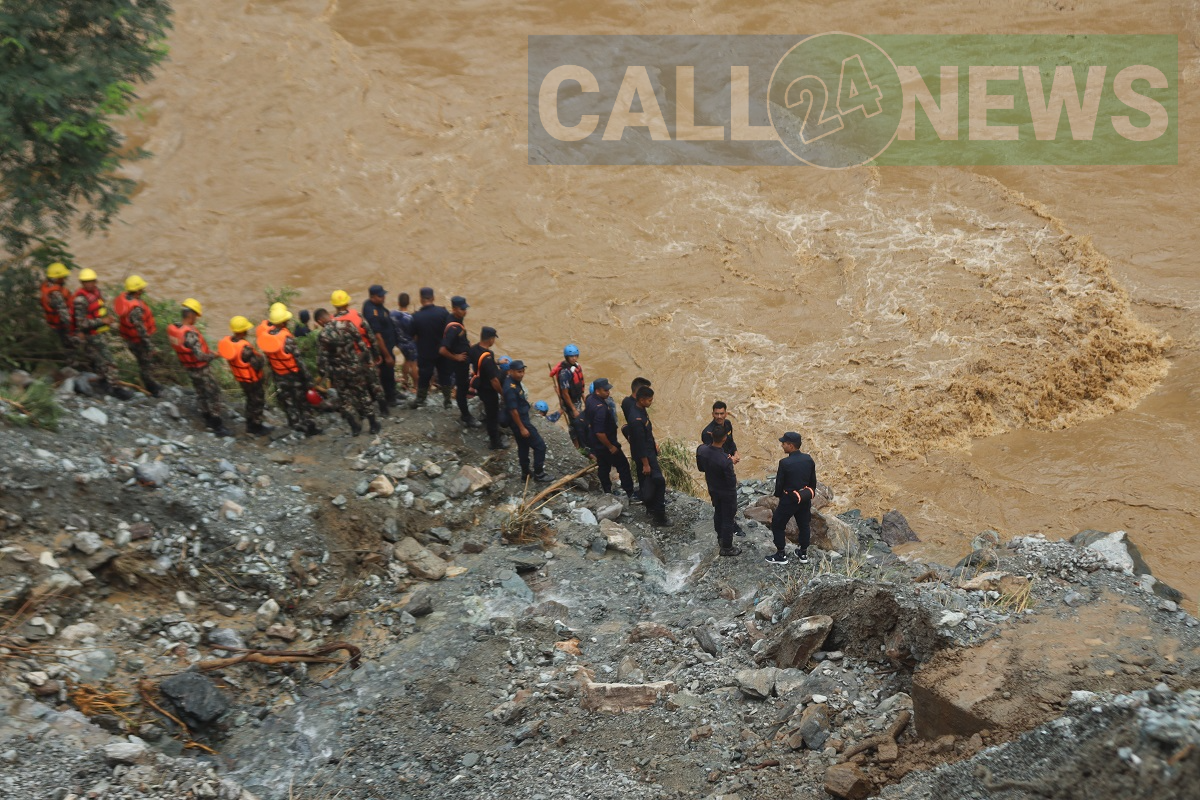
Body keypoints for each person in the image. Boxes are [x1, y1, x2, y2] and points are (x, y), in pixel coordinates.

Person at [166, 299, 232, 436]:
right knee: (214, 394)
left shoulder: (175, 329)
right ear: (191, 315)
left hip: (190, 369)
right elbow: (200, 355)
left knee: (201, 393)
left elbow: (188, 350)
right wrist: (215, 356)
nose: (196, 319)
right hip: (201, 370)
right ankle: (217, 425)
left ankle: (207, 417)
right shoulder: (190, 333)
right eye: (196, 316)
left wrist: (210, 353)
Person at [257, 303, 320, 436]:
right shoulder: (286, 339)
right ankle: (310, 428)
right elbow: (299, 361)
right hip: (294, 375)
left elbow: (269, 360)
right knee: (303, 401)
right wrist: (308, 378)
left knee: (289, 401)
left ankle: (295, 425)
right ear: (284, 321)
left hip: (279, 375)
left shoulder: (266, 337)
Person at [315, 308, 379, 436]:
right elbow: (361, 344)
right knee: (362, 394)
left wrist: (323, 375)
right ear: (329, 315)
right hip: (354, 367)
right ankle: (373, 425)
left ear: (320, 321)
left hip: (338, 372)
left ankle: (354, 427)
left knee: (344, 399)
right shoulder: (347, 324)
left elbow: (322, 359)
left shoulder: (322, 336)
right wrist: (366, 360)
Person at [71, 268, 133, 399]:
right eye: (86, 282)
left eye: (92, 281)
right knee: (109, 362)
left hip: (100, 334)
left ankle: (104, 382)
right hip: (91, 336)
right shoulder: (80, 300)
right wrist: (102, 321)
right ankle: (116, 388)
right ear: (82, 283)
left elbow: (100, 310)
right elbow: (81, 323)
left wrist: (108, 318)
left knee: (100, 361)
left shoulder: (97, 293)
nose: (90, 284)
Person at [331, 289, 388, 417]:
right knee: (374, 383)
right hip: (364, 354)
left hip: (347, 360)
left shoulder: (331, 323)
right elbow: (370, 335)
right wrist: (376, 354)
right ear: (347, 303)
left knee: (356, 386)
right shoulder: (356, 315)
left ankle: (363, 413)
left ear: (334, 305)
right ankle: (384, 410)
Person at [767, 431, 818, 565]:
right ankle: (803, 553)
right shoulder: (808, 459)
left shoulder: (785, 463)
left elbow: (779, 484)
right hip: (804, 498)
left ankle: (781, 555)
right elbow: (813, 482)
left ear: (791, 445)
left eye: (783, 443)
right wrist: (806, 493)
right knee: (804, 525)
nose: (782, 445)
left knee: (778, 524)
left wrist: (778, 495)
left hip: (789, 499)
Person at [218, 316, 272, 436]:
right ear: (243, 331)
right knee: (257, 401)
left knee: (249, 400)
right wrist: (261, 357)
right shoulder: (245, 348)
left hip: (241, 379)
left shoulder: (229, 343)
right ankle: (256, 427)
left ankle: (249, 424)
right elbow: (258, 364)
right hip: (252, 380)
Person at [626, 386, 670, 526]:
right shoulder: (636, 419)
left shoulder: (639, 410)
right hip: (646, 456)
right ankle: (659, 516)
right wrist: (646, 463)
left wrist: (654, 442)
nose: (651, 402)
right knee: (659, 481)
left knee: (646, 481)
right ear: (642, 399)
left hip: (648, 451)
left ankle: (650, 508)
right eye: (650, 400)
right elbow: (639, 443)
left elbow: (646, 433)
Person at [112, 275, 162, 396]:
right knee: (146, 364)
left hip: (130, 339)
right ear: (138, 291)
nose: (143, 290)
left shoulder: (125, 300)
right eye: (142, 288)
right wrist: (150, 346)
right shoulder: (136, 309)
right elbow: (141, 331)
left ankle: (150, 384)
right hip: (139, 342)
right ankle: (152, 389)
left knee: (144, 363)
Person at [702, 401, 746, 537]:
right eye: (717, 414)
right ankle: (724, 529)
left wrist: (735, 452)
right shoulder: (708, 432)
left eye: (722, 413)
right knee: (719, 502)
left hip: (726, 464)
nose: (719, 417)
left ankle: (728, 523)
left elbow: (730, 441)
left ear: (726, 413)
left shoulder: (727, 424)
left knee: (729, 499)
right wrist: (729, 459)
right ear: (712, 414)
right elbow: (711, 454)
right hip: (715, 471)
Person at [585, 378, 635, 497]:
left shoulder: (589, 399)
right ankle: (630, 493)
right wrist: (611, 446)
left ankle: (607, 490)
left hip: (596, 443)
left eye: (608, 389)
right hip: (606, 443)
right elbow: (600, 432)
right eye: (605, 390)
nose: (608, 392)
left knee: (603, 466)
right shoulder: (601, 409)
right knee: (623, 465)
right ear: (597, 391)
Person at [696, 426, 740, 557]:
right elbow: (731, 482)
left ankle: (720, 537)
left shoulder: (701, 449)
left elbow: (700, 468)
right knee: (728, 518)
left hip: (713, 488)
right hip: (726, 492)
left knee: (718, 512)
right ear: (725, 439)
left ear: (711, 435)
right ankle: (727, 547)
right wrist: (730, 462)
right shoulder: (725, 460)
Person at [504, 361, 551, 482]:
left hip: (520, 419)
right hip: (520, 422)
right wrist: (522, 427)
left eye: (523, 371)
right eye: (519, 372)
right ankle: (539, 474)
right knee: (540, 446)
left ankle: (525, 474)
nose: (522, 374)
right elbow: (513, 410)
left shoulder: (514, 382)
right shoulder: (510, 388)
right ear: (511, 371)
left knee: (523, 447)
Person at [438, 296, 478, 426]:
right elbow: (443, 350)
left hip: (463, 359)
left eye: (465, 309)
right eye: (462, 309)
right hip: (459, 364)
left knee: (464, 386)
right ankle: (466, 416)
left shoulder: (456, 319)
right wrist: (456, 357)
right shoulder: (453, 328)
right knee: (462, 389)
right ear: (454, 309)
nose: (465, 311)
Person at [408, 287, 450, 408]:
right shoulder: (443, 312)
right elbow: (448, 330)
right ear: (433, 298)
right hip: (442, 351)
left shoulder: (416, 317)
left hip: (425, 352)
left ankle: (420, 399)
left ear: (421, 299)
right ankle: (447, 401)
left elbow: (412, 335)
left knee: (424, 376)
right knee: (445, 375)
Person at [360, 286, 399, 409]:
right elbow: (377, 336)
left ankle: (393, 392)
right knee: (386, 372)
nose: (383, 298)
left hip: (388, 345)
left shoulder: (377, 305)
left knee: (390, 371)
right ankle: (390, 399)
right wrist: (386, 355)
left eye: (383, 295)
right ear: (372, 297)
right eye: (380, 296)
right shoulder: (372, 312)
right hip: (382, 349)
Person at [468, 326, 505, 449]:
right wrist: (502, 393)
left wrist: (498, 363)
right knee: (492, 415)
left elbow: (477, 364)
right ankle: (495, 443)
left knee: (489, 411)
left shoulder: (473, 349)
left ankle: (494, 434)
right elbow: (494, 380)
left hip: (480, 386)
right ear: (490, 339)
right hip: (489, 390)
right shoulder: (488, 356)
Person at [553, 344, 586, 446]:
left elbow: (580, 385)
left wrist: (585, 399)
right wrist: (573, 409)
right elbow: (565, 393)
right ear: (567, 357)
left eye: (576, 356)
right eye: (572, 356)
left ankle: (582, 442)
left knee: (580, 422)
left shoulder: (576, 366)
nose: (574, 358)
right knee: (575, 424)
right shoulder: (564, 373)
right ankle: (578, 445)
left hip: (577, 399)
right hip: (570, 402)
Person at [40, 262, 75, 355]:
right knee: (70, 348)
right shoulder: (56, 294)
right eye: (63, 276)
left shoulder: (46, 287)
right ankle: (72, 363)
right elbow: (65, 316)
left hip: (52, 324)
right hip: (60, 327)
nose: (65, 278)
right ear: (57, 279)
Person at [391, 292, 418, 393]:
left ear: (398, 302)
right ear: (408, 303)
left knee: (406, 361)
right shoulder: (410, 318)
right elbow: (415, 333)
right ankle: (415, 386)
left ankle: (405, 382)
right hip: (410, 343)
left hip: (399, 343)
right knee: (413, 364)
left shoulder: (392, 314)